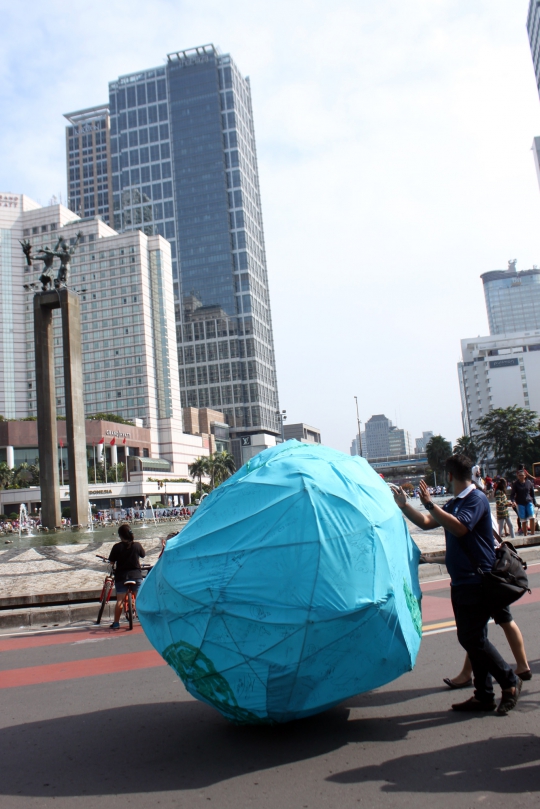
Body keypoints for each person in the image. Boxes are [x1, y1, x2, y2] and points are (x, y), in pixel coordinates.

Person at [392, 454, 522, 715]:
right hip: (463, 580)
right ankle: (483, 695)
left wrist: (430, 504)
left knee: (470, 637)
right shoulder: (455, 502)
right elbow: (429, 523)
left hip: (478, 580)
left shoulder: (475, 499)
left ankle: (509, 680)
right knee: (475, 639)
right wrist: (405, 506)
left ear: (449, 476)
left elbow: (461, 528)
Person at [443, 610, 531, 688]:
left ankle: (512, 677)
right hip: (494, 592)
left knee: (476, 630)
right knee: (503, 620)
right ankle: (522, 667)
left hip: (487, 592)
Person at [108, 524, 146, 629]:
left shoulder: (117, 547)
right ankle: (143, 620)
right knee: (139, 599)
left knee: (120, 600)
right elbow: (143, 554)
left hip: (121, 577)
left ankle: (116, 623)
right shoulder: (137, 545)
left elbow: (111, 562)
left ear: (120, 535)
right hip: (136, 576)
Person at [510, 469, 537, 538]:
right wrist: (513, 501)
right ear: (518, 476)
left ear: (525, 476)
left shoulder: (529, 483)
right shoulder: (515, 484)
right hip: (520, 503)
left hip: (529, 501)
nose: (521, 477)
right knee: (523, 519)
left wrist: (535, 503)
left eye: (522, 475)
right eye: (519, 476)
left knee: (532, 517)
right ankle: (525, 534)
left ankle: (532, 533)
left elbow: (532, 494)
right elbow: (512, 494)